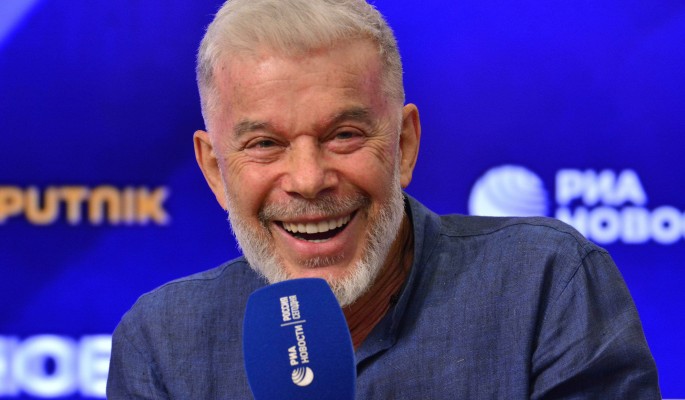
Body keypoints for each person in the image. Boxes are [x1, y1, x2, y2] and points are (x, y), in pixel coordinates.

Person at [107, 0, 661, 398]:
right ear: (215, 170)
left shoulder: (546, 283)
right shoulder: (162, 344)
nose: (308, 179)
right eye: (265, 144)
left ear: (403, 145)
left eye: (344, 135)